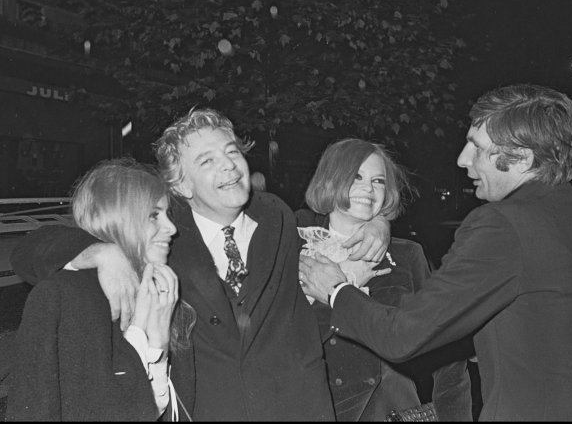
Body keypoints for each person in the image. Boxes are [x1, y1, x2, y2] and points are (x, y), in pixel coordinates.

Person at [10, 108, 390, 421]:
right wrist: (98, 251)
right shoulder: (164, 233)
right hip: (211, 411)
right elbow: (29, 251)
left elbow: (337, 214)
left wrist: (378, 223)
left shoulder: (278, 217)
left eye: (232, 152)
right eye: (208, 160)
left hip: (298, 408)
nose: (229, 166)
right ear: (182, 186)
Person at [299, 84, 572, 420]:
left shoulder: (503, 224)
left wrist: (336, 289)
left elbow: (402, 335)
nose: (463, 160)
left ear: (521, 157)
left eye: (476, 148)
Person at [296, 138, 472, 421]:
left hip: (389, 410)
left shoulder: (406, 254)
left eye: (378, 181)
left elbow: (444, 352)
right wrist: (345, 283)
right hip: (316, 408)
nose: (369, 188)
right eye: (356, 176)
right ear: (330, 179)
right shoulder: (296, 248)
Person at [7, 158, 194, 421]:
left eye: (167, 214)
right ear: (117, 218)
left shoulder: (164, 291)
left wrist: (159, 345)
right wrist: (99, 251)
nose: (172, 228)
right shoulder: (69, 297)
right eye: (154, 215)